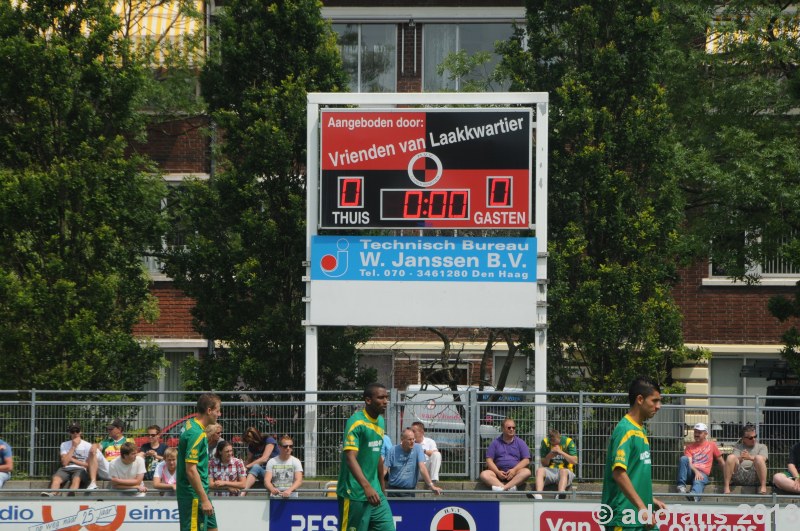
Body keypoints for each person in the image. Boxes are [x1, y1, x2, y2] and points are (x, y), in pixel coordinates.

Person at [602, 377, 666, 531]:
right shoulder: (625, 430)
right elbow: (619, 473)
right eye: (655, 401)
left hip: (638, 515)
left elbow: (634, 474)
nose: (659, 406)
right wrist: (642, 507)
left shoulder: (639, 429)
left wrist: (649, 499)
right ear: (640, 399)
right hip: (624, 517)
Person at [337, 382, 395, 531]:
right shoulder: (356, 423)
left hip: (376, 493)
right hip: (355, 493)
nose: (385, 401)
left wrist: (381, 487)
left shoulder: (380, 421)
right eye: (381, 398)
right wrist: (367, 487)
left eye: (386, 397)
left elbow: (377, 456)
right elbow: (350, 458)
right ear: (368, 400)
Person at [177, 393, 222, 531]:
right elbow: (190, 470)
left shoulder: (191, 424)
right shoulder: (196, 434)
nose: (219, 414)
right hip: (194, 495)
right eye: (218, 410)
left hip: (201, 492)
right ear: (209, 410)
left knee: (212, 528)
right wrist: (203, 499)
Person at [479, 417, 532, 492]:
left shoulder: (520, 442)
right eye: (509, 427)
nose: (512, 429)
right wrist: (497, 472)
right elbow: (489, 460)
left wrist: (514, 470)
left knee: (527, 472)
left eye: (513, 427)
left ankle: (503, 488)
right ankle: (509, 488)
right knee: (484, 474)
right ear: (503, 429)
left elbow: (526, 460)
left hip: (515, 474)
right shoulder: (495, 443)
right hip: (497, 474)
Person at [385, 428, 442, 497]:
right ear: (402, 440)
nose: (412, 441)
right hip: (393, 490)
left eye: (413, 439)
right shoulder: (393, 450)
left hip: (409, 491)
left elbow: (422, 468)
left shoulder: (418, 448)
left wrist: (432, 485)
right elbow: (384, 470)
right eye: (409, 439)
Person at [676, 422, 725, 502]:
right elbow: (689, 463)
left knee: (699, 480)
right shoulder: (689, 447)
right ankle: (681, 486)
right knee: (683, 458)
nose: (697, 434)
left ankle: (694, 497)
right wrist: (696, 471)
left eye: (699, 432)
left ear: (705, 434)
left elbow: (721, 461)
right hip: (691, 472)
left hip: (703, 473)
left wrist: (727, 477)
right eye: (695, 432)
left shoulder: (712, 445)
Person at [43, 423, 92, 496]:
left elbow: (88, 465)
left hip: (80, 469)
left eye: (77, 431)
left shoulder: (87, 445)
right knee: (56, 478)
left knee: (76, 478)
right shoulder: (64, 444)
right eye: (72, 431)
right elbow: (64, 463)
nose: (75, 433)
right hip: (66, 468)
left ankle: (71, 493)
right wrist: (73, 446)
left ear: (80, 432)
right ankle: (52, 493)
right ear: (69, 433)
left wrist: (72, 459)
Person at [87, 417, 133, 490]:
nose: (108, 430)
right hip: (108, 469)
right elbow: (98, 446)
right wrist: (95, 445)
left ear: (119, 429)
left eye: (111, 429)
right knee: (94, 451)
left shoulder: (128, 441)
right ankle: (93, 483)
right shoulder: (106, 441)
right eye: (108, 429)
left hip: (121, 469)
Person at [722, 425, 768, 495]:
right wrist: (741, 458)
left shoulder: (762, 446)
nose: (754, 439)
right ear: (743, 438)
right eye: (750, 438)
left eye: (755, 436)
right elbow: (733, 461)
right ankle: (726, 486)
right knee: (730, 457)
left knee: (759, 458)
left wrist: (749, 457)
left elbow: (763, 459)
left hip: (755, 475)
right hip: (739, 474)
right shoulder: (738, 447)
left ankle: (763, 486)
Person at [533, 427, 578, 499]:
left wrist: (561, 452)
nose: (554, 445)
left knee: (563, 471)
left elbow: (575, 461)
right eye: (552, 442)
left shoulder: (568, 441)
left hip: (565, 471)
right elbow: (544, 464)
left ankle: (560, 494)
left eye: (556, 442)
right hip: (551, 471)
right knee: (539, 470)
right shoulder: (545, 442)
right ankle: (538, 495)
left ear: (559, 438)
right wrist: (549, 455)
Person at [242, 426, 278, 495]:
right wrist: (241, 468)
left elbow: (264, 458)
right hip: (263, 473)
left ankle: (242, 493)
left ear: (256, 437)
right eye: (248, 441)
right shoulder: (251, 446)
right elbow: (248, 460)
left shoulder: (269, 440)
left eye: (250, 440)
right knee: (252, 468)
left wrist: (247, 466)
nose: (249, 443)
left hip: (274, 473)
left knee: (255, 467)